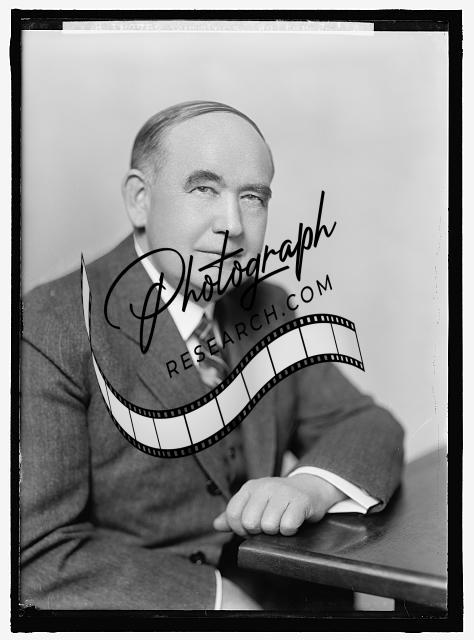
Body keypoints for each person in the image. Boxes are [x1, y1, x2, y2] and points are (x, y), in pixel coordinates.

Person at [20, 101, 404, 610]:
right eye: (204, 189)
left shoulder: (265, 304)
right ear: (139, 200)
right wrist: (216, 603)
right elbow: (37, 552)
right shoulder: (50, 325)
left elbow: (367, 424)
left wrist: (311, 488)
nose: (233, 225)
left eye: (253, 197)